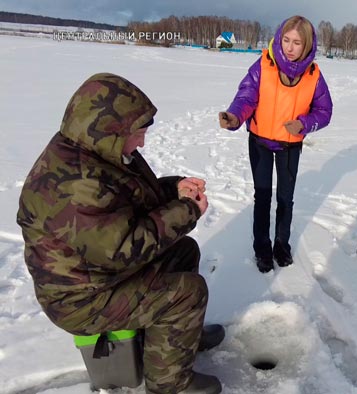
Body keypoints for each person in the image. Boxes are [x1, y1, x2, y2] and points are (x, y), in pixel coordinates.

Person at [16, 73, 225, 394]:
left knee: (184, 251)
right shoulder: (77, 185)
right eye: (138, 133)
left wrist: (174, 189)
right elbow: (122, 250)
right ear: (110, 130)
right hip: (80, 299)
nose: (141, 142)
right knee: (187, 293)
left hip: (96, 275)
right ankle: (170, 384)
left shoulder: (95, 150)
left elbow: (132, 199)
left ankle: (178, 340)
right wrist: (187, 212)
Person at [219, 16, 333, 273]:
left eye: (297, 43)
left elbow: (324, 111)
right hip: (260, 141)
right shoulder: (263, 65)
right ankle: (262, 248)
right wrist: (235, 116)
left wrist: (305, 123)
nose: (290, 48)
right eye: (286, 40)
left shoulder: (314, 75)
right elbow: (246, 96)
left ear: (307, 46)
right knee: (263, 196)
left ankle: (282, 245)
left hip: (290, 147)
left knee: (285, 198)